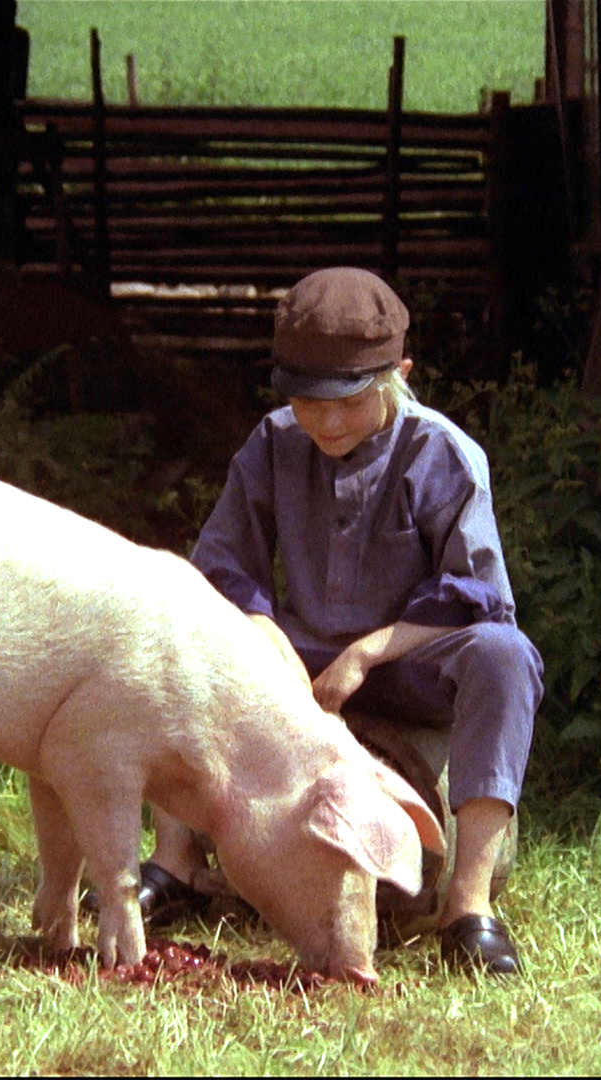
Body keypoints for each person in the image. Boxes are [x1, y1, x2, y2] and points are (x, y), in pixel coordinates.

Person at [137, 266, 543, 975]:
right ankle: (175, 862)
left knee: (507, 655)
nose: (324, 421)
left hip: (409, 662)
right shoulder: (272, 442)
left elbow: (478, 593)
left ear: (398, 374)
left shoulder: (444, 453)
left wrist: (367, 655)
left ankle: (469, 906)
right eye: (307, 400)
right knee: (172, 624)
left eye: (348, 401)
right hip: (301, 652)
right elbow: (221, 568)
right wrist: (272, 645)